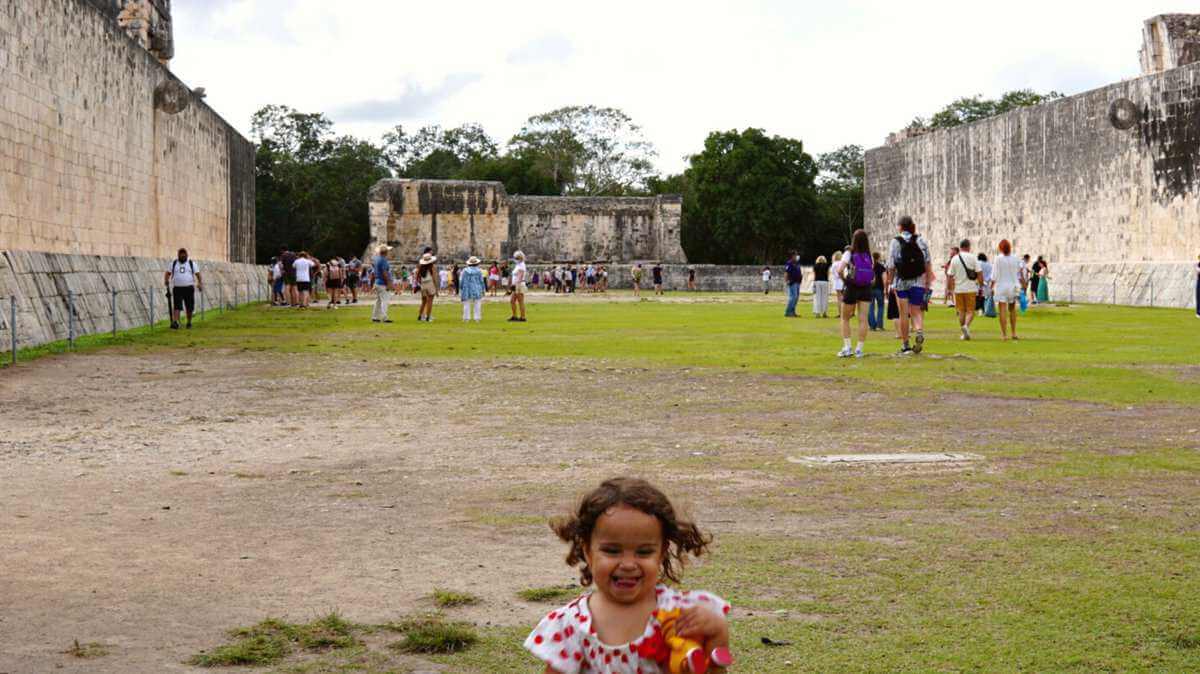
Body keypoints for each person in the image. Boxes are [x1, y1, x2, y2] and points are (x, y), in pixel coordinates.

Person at [524, 477, 732, 674]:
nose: (628, 564)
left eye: (644, 552)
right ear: (587, 551)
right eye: (612, 551)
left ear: (661, 553)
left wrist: (717, 635)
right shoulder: (570, 625)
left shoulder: (682, 613)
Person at [884, 215, 933, 355]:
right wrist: (928, 282)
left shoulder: (895, 242)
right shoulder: (921, 240)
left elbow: (891, 265)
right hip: (918, 281)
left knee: (903, 314)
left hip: (901, 282)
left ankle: (905, 344)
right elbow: (927, 262)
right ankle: (919, 331)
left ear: (900, 227)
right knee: (916, 311)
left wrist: (889, 282)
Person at [838, 230, 875, 358]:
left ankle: (847, 347)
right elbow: (872, 277)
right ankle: (859, 349)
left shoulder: (849, 253)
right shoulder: (869, 256)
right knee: (863, 319)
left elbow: (840, 270)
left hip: (852, 287)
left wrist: (845, 281)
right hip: (866, 288)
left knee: (845, 318)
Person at [949, 239, 981, 340]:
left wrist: (950, 288)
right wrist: (981, 285)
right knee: (971, 311)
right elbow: (979, 272)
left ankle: (963, 332)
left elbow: (950, 275)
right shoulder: (972, 257)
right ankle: (966, 326)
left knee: (961, 311)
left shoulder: (954, 259)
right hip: (970, 288)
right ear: (968, 246)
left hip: (958, 289)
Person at [164, 248, 202, 330]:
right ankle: (176, 323)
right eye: (180, 254)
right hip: (177, 288)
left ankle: (189, 322)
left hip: (189, 288)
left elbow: (198, 274)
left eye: (184, 254)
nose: (182, 256)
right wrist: (166, 280)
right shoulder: (174, 263)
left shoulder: (191, 263)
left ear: (186, 255)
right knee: (177, 306)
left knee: (189, 307)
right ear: (178, 255)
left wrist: (200, 283)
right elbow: (168, 273)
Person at [992, 240, 1021, 340]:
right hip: (1013, 285)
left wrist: (991, 286)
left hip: (1001, 286)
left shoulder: (997, 259)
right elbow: (1018, 270)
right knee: (1012, 310)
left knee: (1002, 310)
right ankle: (1013, 333)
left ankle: (1004, 334)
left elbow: (994, 275)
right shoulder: (1015, 258)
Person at [370, 245, 393, 323]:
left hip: (377, 282)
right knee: (385, 301)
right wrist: (389, 283)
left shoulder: (376, 259)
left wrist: (372, 283)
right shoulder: (383, 260)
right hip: (383, 283)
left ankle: (375, 316)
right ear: (386, 252)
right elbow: (384, 273)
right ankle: (384, 317)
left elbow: (373, 273)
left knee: (378, 301)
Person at [460, 256, 486, 322]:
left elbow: (462, 280)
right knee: (477, 304)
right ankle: (477, 318)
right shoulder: (479, 271)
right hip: (477, 288)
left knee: (466, 304)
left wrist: (461, 287)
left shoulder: (465, 271)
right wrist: (483, 289)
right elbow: (481, 281)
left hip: (467, 288)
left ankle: (466, 318)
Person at [417, 252, 438, 322]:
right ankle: (428, 317)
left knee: (423, 301)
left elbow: (418, 277)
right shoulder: (432, 267)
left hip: (423, 284)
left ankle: (420, 316)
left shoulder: (420, 267)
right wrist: (436, 288)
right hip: (430, 284)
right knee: (430, 302)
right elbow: (434, 278)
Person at [869, 252, 886, 331]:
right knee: (881, 306)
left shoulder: (869, 266)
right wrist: (885, 288)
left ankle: (872, 325)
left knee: (871, 307)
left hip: (870, 288)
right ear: (878, 257)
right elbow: (884, 279)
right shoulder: (881, 267)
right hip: (879, 288)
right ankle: (879, 325)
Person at [509, 250, 528, 322]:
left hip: (519, 285)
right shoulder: (518, 265)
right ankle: (514, 315)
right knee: (512, 300)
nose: (515, 259)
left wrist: (515, 285)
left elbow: (520, 276)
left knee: (520, 301)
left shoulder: (522, 265)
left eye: (516, 258)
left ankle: (522, 317)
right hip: (516, 284)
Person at [783, 251, 803, 317]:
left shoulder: (797, 263)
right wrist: (786, 281)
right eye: (795, 255)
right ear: (792, 256)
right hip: (792, 282)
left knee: (796, 298)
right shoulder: (789, 263)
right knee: (793, 297)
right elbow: (786, 272)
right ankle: (788, 312)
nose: (797, 256)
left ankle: (793, 311)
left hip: (797, 282)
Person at [830, 248, 847, 318]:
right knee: (844, 298)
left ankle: (841, 313)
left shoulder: (834, 264)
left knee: (839, 298)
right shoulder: (842, 263)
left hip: (837, 281)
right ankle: (844, 313)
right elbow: (845, 272)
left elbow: (834, 273)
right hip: (842, 281)